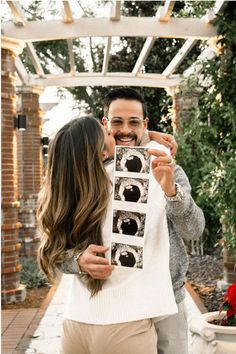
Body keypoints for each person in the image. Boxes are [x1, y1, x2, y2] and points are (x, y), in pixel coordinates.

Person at [37, 116, 178, 354]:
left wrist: (78, 260)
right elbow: (163, 149)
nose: (113, 134)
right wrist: (150, 135)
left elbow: (52, 252)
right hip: (125, 326)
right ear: (101, 153)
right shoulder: (133, 177)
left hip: (75, 324)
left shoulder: (65, 194)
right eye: (106, 133)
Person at [100, 87, 205, 354]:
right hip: (117, 300)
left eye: (134, 122)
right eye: (117, 121)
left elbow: (194, 230)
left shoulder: (168, 167)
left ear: (145, 124)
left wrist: (171, 191)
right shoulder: (92, 173)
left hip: (167, 299)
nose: (125, 129)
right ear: (104, 124)